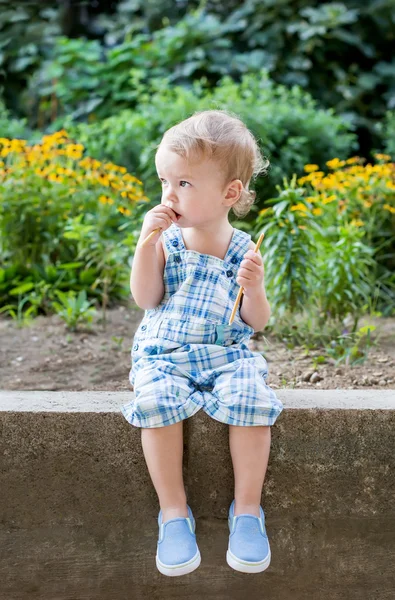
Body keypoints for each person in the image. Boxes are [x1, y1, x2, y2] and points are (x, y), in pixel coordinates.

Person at [120, 109, 283, 577]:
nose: (168, 195)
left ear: (230, 193)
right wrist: (144, 246)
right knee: (156, 401)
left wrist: (254, 289)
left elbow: (256, 322)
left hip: (226, 354)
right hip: (164, 353)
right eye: (164, 182)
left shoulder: (242, 248)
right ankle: (174, 513)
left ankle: (247, 511)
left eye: (184, 184)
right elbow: (146, 297)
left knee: (251, 397)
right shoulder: (165, 240)